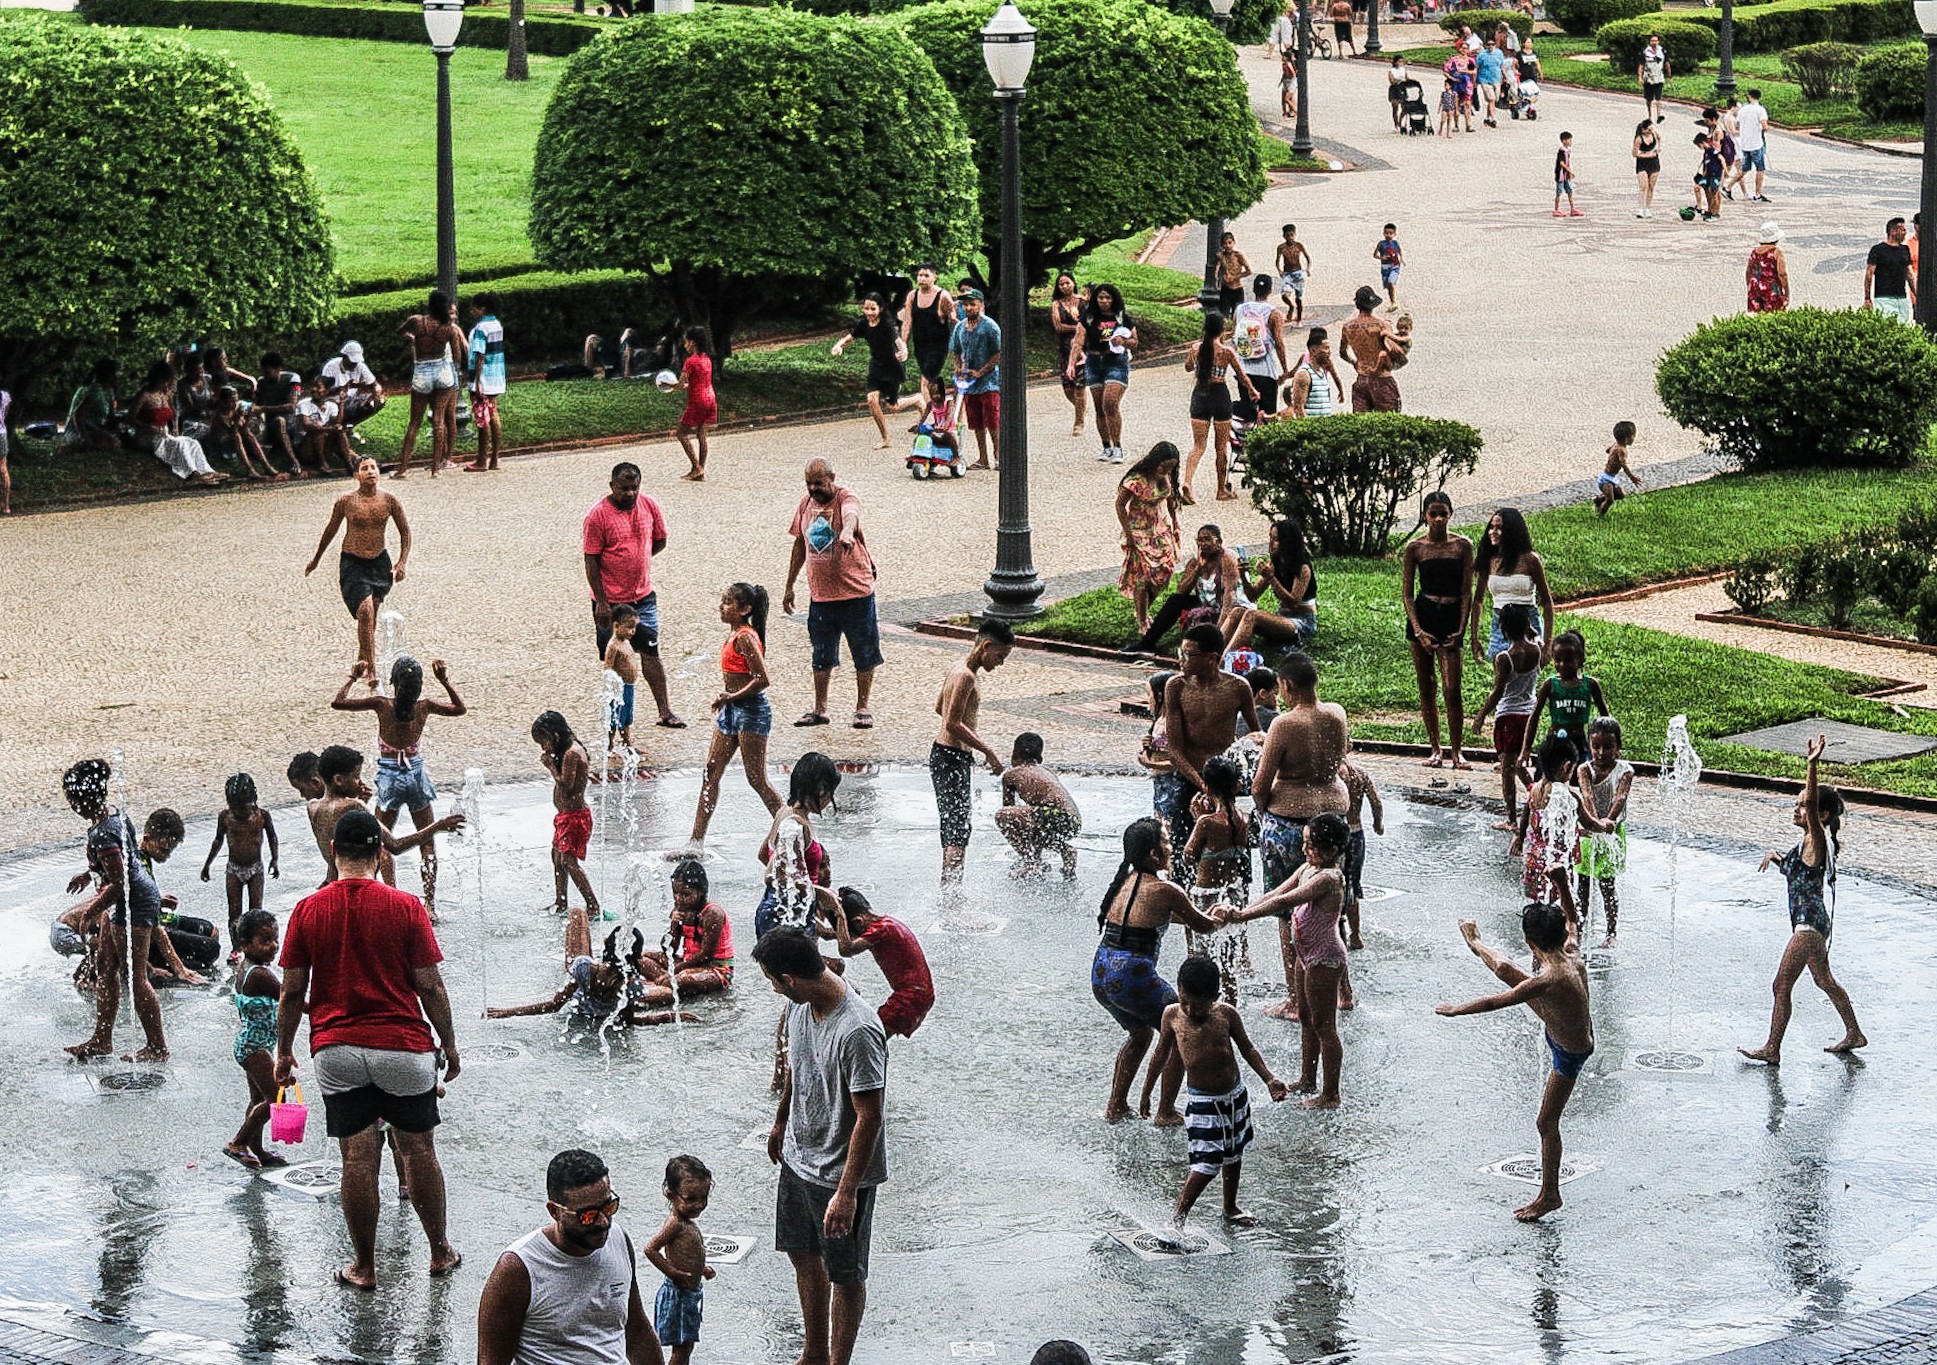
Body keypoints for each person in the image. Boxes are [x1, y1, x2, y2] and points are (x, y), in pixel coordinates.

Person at [274, 808, 462, 1288]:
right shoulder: (406, 907)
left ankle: (364, 1266)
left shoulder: (307, 910)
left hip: (337, 1049)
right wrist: (450, 1044)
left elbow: (292, 992)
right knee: (419, 1151)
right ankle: (439, 1251)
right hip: (403, 1046)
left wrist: (284, 1050)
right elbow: (431, 988)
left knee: (357, 1160)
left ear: (334, 851)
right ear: (379, 852)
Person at [758, 926, 889, 1365]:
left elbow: (870, 1116)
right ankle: (813, 1353)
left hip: (839, 1172)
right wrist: (780, 1121)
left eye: (773, 982)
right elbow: (797, 1067)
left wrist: (847, 1193)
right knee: (802, 1253)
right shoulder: (802, 1009)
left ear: (790, 978)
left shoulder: (858, 1029)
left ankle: (837, 1363)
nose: (775, 990)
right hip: (799, 1157)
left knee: (845, 1274)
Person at [1437, 867, 1592, 1221]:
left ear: (1531, 944)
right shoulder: (1571, 949)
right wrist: (1562, 884)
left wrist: (1455, 1010)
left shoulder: (1548, 979)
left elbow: (1495, 1002)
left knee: (1546, 1123)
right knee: (1507, 968)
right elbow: (1571, 918)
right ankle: (1475, 942)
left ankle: (1550, 1194)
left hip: (1570, 1052)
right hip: (1565, 1029)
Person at [1740, 735, 1866, 1065]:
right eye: (1797, 804)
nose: (1797, 809)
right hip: (1814, 923)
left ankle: (1772, 1048)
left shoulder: (1817, 837)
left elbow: (1811, 807)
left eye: (1803, 805)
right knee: (1824, 980)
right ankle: (1855, 1033)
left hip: (1809, 926)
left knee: (1780, 985)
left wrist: (1812, 765)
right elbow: (1802, 875)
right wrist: (1779, 859)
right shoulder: (1808, 844)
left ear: (1821, 815)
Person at [476, 1148, 666, 1365]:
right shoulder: (517, 1269)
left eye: (608, 1206)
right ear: (554, 1211)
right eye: (588, 1215)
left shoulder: (618, 1238)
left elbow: (636, 1330)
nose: (603, 1222)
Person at [1145, 955, 1289, 1236]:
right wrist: (1147, 1092)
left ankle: (1230, 1207)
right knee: (1207, 1162)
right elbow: (1160, 1054)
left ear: (1215, 997)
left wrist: (1269, 1078)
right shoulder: (1172, 1015)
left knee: (1233, 1153)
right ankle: (1177, 1218)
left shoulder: (1226, 1015)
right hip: (1203, 1103)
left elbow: (1248, 1049)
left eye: (1198, 1005)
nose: (1189, 1009)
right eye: (1184, 1000)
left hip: (1234, 1097)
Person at [1093, 818, 1222, 1125]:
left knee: (1140, 1035)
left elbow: (1152, 917)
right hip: (1131, 975)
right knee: (1180, 1028)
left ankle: (1116, 1106)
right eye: (1166, 841)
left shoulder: (1123, 881)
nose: (1171, 846)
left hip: (1100, 971)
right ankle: (1164, 1110)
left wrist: (1199, 914)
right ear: (1154, 854)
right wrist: (1222, 914)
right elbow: (1203, 925)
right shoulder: (1166, 888)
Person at [1221, 812, 1353, 1107]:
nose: (1305, 850)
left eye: (1311, 845)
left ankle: (1331, 1094)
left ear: (1332, 851)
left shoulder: (1329, 878)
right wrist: (1238, 912)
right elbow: (1275, 892)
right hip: (1305, 956)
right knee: (1306, 1018)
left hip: (1325, 957)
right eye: (1305, 843)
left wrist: (1242, 917)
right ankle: (1308, 1078)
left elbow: (1285, 902)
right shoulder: (1308, 867)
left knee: (1325, 1025)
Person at [60, 764, 190, 1061]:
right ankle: (101, 1040)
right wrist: (88, 872)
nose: (71, 805)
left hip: (133, 900)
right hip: (128, 896)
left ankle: (157, 1047)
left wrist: (91, 912)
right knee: (106, 967)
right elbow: (125, 858)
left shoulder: (103, 834)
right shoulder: (114, 813)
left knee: (135, 976)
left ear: (83, 799)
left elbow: (119, 883)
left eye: (72, 799)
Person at [1251, 652, 1348, 1021]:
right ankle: (1344, 991)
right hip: (1334, 814)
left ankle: (1295, 999)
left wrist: (1261, 810)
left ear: (1286, 686)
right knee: (1331, 904)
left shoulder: (1284, 724)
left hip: (1291, 819)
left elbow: (1261, 784)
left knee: (1289, 910)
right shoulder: (1336, 713)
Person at [331, 655, 467, 918]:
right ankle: (430, 904)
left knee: (382, 841)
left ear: (393, 682)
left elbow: (339, 702)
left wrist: (353, 677)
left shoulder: (382, 705)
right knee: (426, 838)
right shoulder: (424, 707)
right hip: (416, 776)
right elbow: (459, 708)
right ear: (419, 686)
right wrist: (445, 681)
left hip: (390, 778)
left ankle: (390, 893)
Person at [585, 461, 685, 730]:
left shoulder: (649, 505)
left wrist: (638, 558)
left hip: (643, 597)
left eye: (634, 488)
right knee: (615, 660)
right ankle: (617, 722)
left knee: (651, 652)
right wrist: (602, 602)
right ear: (612, 486)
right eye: (623, 488)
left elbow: (660, 540)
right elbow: (591, 560)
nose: (629, 494)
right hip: (612, 602)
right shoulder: (597, 516)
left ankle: (665, 711)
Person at [785, 459, 882, 730]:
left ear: (832, 478)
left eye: (818, 483)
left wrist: (848, 532)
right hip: (821, 596)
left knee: (864, 651)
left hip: (855, 593)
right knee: (821, 654)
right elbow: (799, 545)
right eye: (808, 483)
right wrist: (789, 585)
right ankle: (820, 709)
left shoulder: (845, 498)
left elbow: (852, 516)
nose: (813, 488)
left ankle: (862, 706)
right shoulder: (805, 505)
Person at [688, 583, 784, 846]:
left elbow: (762, 679)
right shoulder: (734, 635)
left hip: (751, 712)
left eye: (728, 602)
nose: (722, 606)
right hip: (732, 710)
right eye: (722, 600)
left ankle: (794, 831)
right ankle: (696, 841)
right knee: (710, 772)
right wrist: (729, 700)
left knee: (757, 779)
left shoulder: (745, 636)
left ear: (745, 609)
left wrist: (730, 696)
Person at [305, 456, 410, 675]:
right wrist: (316, 559)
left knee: (370, 618)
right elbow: (330, 530)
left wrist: (402, 562)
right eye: (364, 469)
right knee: (365, 610)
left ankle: (363, 657)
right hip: (353, 563)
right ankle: (371, 669)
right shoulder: (346, 502)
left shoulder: (389, 501)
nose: (370, 471)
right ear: (356, 476)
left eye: (373, 468)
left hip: (380, 562)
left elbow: (405, 531)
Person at [931, 620, 1015, 888]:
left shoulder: (957, 667)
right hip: (950, 757)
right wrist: (988, 751)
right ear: (986, 646)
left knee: (954, 827)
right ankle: (952, 900)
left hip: (945, 756)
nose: (1000, 663)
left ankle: (950, 894)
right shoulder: (966, 676)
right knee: (958, 830)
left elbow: (938, 707)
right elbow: (951, 723)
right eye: (1000, 656)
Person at [1401, 492, 1473, 768]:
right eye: (1434, 514)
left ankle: (1457, 750)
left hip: (1452, 614)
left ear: (1451, 514)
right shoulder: (1415, 548)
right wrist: (1418, 630)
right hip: (1425, 611)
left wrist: (1462, 627)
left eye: (1444, 514)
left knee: (1452, 687)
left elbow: (1466, 591)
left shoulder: (1462, 546)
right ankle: (1435, 749)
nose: (1439, 519)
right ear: (1425, 516)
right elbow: (1407, 593)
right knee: (1426, 684)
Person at [483, 904, 643, 1025]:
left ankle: (588, 911)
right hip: (608, 978)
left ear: (607, 945)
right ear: (637, 956)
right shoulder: (632, 986)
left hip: (586, 980)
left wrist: (507, 1012)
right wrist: (664, 1017)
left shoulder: (584, 969)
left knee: (577, 913)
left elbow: (554, 1006)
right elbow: (627, 1021)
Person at [820, 886, 935, 1040]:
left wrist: (839, 913)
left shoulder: (881, 930)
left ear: (859, 922)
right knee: (872, 1038)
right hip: (917, 993)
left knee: (870, 1039)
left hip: (911, 996)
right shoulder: (882, 925)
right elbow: (829, 934)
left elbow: (846, 948)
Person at [753, 752, 841, 941]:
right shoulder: (795, 825)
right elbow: (773, 876)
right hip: (786, 918)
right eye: (831, 792)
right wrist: (821, 893)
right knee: (811, 970)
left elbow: (763, 854)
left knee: (817, 969)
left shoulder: (784, 813)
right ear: (821, 789)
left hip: (787, 910)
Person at [1121, 522, 1245, 657]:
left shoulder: (1227, 559)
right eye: (1200, 540)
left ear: (1219, 541)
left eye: (1208, 539)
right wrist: (1198, 568)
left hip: (1229, 606)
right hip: (1207, 603)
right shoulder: (1195, 562)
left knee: (1216, 614)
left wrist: (1220, 628)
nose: (1203, 544)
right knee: (1175, 600)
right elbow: (1182, 590)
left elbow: (1230, 595)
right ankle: (1148, 642)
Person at [1470, 604, 1542, 830]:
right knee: (1520, 765)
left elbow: (1498, 691)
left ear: (1504, 629)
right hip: (1529, 715)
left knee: (1507, 770)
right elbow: (1535, 635)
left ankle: (1511, 818)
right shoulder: (1537, 650)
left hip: (1508, 717)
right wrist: (1529, 629)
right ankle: (1539, 800)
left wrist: (1481, 716)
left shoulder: (1504, 658)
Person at [225, 910, 286, 1170]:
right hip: (256, 1048)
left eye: (275, 939)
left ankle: (256, 1147)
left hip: (251, 1043)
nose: (273, 946)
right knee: (277, 1100)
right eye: (265, 941)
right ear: (245, 945)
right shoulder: (261, 975)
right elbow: (291, 999)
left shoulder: (246, 967)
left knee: (258, 1098)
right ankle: (238, 1142)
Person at [642, 1155, 714, 1365]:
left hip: (688, 1294)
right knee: (682, 1348)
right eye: (690, 1199)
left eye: (704, 1197)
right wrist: (672, 1272)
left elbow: (686, 1254)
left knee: (686, 1345)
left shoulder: (687, 1222)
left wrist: (702, 1269)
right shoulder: (676, 1224)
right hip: (679, 1295)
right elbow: (650, 1249)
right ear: (671, 1195)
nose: (699, 1205)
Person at [1182, 312, 1257, 506]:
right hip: (1219, 395)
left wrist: (1193, 357)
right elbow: (1242, 376)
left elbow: (1188, 368)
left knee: (1198, 446)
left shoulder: (1196, 348)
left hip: (1200, 394)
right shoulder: (1226, 352)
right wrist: (1252, 391)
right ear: (1222, 331)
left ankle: (1187, 483)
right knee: (1221, 447)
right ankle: (1220, 489)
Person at [199, 772, 281, 945]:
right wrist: (207, 864)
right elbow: (218, 840)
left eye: (242, 808)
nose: (238, 812)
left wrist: (275, 859)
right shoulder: (226, 817)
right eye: (234, 807)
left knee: (256, 911)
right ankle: (236, 946)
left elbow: (273, 837)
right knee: (234, 911)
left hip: (255, 869)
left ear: (253, 801)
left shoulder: (262, 816)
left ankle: (253, 944)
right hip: (234, 869)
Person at [636, 859, 734, 1002]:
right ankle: (663, 984)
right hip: (687, 963)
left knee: (682, 979)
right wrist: (673, 925)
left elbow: (705, 956)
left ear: (701, 892)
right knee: (639, 957)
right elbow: (669, 949)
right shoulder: (679, 910)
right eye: (675, 893)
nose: (679, 898)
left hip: (716, 970)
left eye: (685, 894)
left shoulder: (712, 913)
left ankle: (661, 986)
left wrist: (675, 971)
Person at [534, 710, 601, 918]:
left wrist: (551, 767)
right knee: (556, 857)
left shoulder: (572, 753)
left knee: (570, 862)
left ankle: (593, 906)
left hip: (575, 818)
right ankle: (561, 901)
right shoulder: (569, 750)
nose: (543, 747)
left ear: (554, 735)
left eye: (543, 742)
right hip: (566, 817)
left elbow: (567, 785)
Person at [1114, 443, 1183, 638]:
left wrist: (1175, 522)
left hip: (1159, 528)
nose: (1167, 470)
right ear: (1156, 461)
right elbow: (1120, 505)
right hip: (1139, 530)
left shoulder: (1167, 475)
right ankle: (1142, 619)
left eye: (1171, 467)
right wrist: (1127, 532)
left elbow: (1171, 500)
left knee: (1166, 570)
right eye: (1164, 466)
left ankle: (1142, 607)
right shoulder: (1137, 480)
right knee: (1143, 576)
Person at [395, 290, 467, 478]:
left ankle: (402, 468)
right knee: (439, 420)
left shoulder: (417, 321)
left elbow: (400, 331)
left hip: (422, 371)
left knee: (414, 423)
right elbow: (458, 357)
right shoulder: (449, 328)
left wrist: (413, 340)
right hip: (443, 371)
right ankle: (436, 468)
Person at [831, 292, 915, 449]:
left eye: (873, 309)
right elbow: (851, 337)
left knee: (893, 406)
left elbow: (898, 340)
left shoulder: (887, 323)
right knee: (871, 400)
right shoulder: (863, 323)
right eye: (866, 308)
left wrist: (904, 351)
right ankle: (885, 438)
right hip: (876, 366)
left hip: (891, 367)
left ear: (880, 308)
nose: (869, 312)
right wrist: (839, 345)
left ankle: (917, 400)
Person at [1575, 716, 1633, 946]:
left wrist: (1608, 821)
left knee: (1607, 885)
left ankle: (1611, 932)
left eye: (1608, 747)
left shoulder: (1625, 771)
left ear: (1618, 748)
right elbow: (1587, 795)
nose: (1601, 752)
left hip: (1612, 832)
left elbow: (1621, 797)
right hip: (1588, 831)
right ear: (1589, 745)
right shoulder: (1584, 769)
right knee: (1582, 884)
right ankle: (1579, 928)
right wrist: (1594, 823)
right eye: (1596, 746)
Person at [1469, 505, 1553, 661]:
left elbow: (1547, 602)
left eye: (1499, 528)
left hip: (1528, 623)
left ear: (1512, 531)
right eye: (1491, 527)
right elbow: (1478, 601)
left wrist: (1548, 643)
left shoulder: (1530, 560)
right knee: (1501, 672)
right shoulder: (1489, 560)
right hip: (1500, 622)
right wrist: (1474, 637)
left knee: (1528, 674)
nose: (1493, 532)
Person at [996, 732, 1083, 879]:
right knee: (1033, 823)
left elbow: (1008, 808)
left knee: (1004, 816)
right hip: (1073, 820)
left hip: (1056, 816)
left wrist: (1025, 850)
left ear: (1014, 755)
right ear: (1040, 758)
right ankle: (1064, 850)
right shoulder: (1047, 771)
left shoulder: (1011, 774)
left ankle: (1030, 862)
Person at [1071, 282, 1135, 463]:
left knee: (1110, 403)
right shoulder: (1089, 318)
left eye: (1108, 297)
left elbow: (1135, 340)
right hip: (1093, 362)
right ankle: (1106, 446)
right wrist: (1072, 362)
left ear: (1113, 299)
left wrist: (1123, 340)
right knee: (1099, 407)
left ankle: (1118, 446)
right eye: (1100, 297)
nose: (1104, 301)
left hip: (1115, 362)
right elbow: (1078, 341)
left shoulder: (1122, 318)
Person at [1525, 629, 1609, 767]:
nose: (1562, 665)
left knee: (1584, 778)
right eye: (1558, 660)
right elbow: (1534, 717)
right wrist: (1526, 749)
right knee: (1546, 780)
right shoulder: (1550, 684)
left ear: (1580, 658)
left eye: (1568, 660)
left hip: (1579, 742)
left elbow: (1605, 718)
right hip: (1555, 740)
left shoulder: (1590, 684)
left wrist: (1609, 747)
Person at [131, 361, 224, 484]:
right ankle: (192, 473)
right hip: (148, 435)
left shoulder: (164, 394)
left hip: (164, 433)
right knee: (179, 444)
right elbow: (131, 418)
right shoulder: (144, 395)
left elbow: (174, 413)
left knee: (192, 442)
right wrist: (148, 426)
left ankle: (207, 470)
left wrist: (175, 428)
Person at [948, 288, 1003, 471]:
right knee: (976, 422)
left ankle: (999, 455)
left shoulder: (990, 326)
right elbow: (955, 350)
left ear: (981, 304)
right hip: (969, 382)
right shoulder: (960, 327)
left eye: (973, 304)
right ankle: (983, 458)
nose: (969, 308)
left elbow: (998, 353)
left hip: (990, 381)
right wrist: (958, 367)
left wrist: (981, 371)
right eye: (966, 304)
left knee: (993, 420)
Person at [1231, 275, 1288, 426]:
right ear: (1270, 290)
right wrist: (1285, 370)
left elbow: (1234, 337)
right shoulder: (1274, 313)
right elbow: (1279, 343)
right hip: (1266, 372)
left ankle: (1245, 444)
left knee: (1248, 416)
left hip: (1244, 372)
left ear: (1253, 289)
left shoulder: (1240, 310)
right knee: (1268, 416)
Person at [1340, 751, 1382, 949]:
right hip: (1356, 834)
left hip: (1335, 834)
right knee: (1351, 886)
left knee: (1331, 883)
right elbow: (1376, 802)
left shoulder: (1331, 774)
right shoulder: (1361, 774)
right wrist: (1378, 824)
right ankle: (1355, 935)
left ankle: (1336, 931)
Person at [897, 263, 957, 401]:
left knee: (925, 380)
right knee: (931, 381)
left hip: (938, 346)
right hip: (920, 345)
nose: (922, 278)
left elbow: (953, 318)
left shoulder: (943, 296)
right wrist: (903, 344)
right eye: (920, 275)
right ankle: (941, 410)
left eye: (926, 275)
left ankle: (925, 415)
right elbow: (907, 322)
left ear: (934, 277)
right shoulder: (912, 295)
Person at [1340, 287, 1404, 412]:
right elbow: (1396, 352)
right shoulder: (1382, 325)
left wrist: (1354, 362)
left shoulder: (1348, 327)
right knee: (1388, 423)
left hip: (1362, 378)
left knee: (1361, 425)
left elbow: (1342, 353)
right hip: (1382, 379)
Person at [465, 295, 507, 472]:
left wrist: (477, 381)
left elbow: (479, 355)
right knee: (494, 415)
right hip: (496, 377)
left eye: (474, 308)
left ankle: (481, 460)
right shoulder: (496, 325)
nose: (471, 311)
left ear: (482, 309)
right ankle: (495, 458)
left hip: (482, 379)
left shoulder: (480, 328)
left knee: (482, 420)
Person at [321, 340, 386, 445]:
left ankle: (349, 427)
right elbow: (323, 393)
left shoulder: (360, 366)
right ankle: (336, 429)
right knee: (335, 407)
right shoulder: (331, 367)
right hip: (333, 400)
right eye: (352, 361)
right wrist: (345, 387)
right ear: (344, 357)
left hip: (351, 399)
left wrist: (377, 394)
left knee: (377, 402)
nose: (354, 364)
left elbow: (376, 385)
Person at [674, 327, 717, 481]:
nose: (685, 344)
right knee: (701, 434)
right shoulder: (707, 359)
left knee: (681, 433)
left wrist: (669, 385)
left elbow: (681, 383)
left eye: (686, 341)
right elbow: (698, 382)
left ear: (692, 342)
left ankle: (696, 467)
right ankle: (701, 470)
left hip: (697, 401)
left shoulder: (690, 361)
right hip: (710, 398)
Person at [1049, 273, 1089, 435]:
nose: (1065, 286)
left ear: (1073, 283)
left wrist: (1082, 331)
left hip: (1083, 349)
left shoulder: (1084, 302)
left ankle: (1078, 422)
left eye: (1067, 283)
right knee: (1068, 388)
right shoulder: (1056, 304)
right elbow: (1058, 326)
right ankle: (1082, 408)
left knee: (1080, 386)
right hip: (1065, 348)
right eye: (1061, 284)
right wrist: (1078, 328)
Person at [295, 373, 353, 475]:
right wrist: (329, 429)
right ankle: (322, 463)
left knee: (340, 432)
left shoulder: (331, 406)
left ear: (326, 391)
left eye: (318, 387)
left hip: (324, 447)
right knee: (318, 432)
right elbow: (307, 425)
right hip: (306, 449)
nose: (314, 389)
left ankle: (348, 463)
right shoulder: (304, 404)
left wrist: (342, 403)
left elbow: (337, 422)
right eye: (313, 386)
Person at [606, 605, 643, 756]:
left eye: (634, 627)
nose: (632, 631)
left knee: (627, 716)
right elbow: (607, 667)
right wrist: (612, 685)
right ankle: (609, 745)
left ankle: (627, 743)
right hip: (618, 688)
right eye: (629, 627)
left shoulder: (626, 642)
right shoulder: (613, 646)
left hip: (629, 686)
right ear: (616, 626)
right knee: (615, 717)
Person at [1865, 217, 1917, 323]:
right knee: (1888, 326)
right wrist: (1867, 298)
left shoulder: (1904, 250)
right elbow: (1869, 274)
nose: (1905, 232)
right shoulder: (1878, 250)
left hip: (1902, 297)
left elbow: (1909, 274)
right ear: (1893, 231)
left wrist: (1917, 294)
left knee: (1904, 326)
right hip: (1884, 297)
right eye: (1902, 229)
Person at [62, 358, 120, 452]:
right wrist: (84, 436)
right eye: (116, 373)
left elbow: (111, 415)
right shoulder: (95, 390)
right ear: (109, 375)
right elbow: (78, 415)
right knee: (111, 443)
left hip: (95, 426)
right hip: (80, 427)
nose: (118, 376)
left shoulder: (109, 390)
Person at [1725, 88, 1770, 203]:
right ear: (1759, 97)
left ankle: (1728, 187)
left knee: (1745, 169)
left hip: (1744, 144)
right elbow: (1764, 126)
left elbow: (1738, 125)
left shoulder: (1743, 109)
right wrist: (1761, 129)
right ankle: (1758, 194)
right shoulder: (1760, 110)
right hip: (1756, 144)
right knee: (1760, 168)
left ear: (1750, 97)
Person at [1595, 421, 1644, 516]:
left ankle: (1598, 499)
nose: (1634, 438)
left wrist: (1612, 455)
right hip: (1606, 479)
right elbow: (1624, 465)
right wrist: (1632, 477)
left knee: (1621, 495)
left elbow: (1608, 450)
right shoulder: (1622, 450)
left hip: (1611, 477)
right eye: (1633, 436)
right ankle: (1599, 516)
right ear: (1627, 438)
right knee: (1610, 500)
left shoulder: (1615, 444)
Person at [1747, 221, 1790, 312]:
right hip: (1771, 288)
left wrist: (1750, 286)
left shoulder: (1755, 252)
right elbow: (1782, 273)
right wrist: (1786, 293)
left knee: (1756, 318)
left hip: (1755, 288)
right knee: (1775, 317)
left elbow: (1748, 271)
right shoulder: (1776, 252)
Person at [1275, 225, 1313, 325]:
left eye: (1292, 235)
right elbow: (1277, 261)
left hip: (1299, 273)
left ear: (1295, 235)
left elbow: (1308, 258)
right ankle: (1291, 307)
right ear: (1284, 236)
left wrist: (1308, 269)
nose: (1290, 237)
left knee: (1299, 299)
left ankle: (1299, 319)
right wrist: (1279, 270)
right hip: (1287, 274)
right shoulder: (1281, 248)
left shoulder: (1299, 245)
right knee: (1284, 295)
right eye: (1288, 235)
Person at [1213, 232, 1251, 316]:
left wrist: (1234, 277)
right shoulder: (1220, 256)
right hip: (1226, 289)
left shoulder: (1238, 255)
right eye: (1225, 243)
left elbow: (1249, 271)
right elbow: (1217, 269)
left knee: (1237, 315)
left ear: (1234, 242)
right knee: (1223, 315)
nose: (1227, 246)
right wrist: (1218, 279)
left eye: (1230, 243)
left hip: (1237, 288)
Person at [1636, 33, 1670, 126]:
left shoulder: (1662, 51)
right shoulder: (1645, 51)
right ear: (1650, 42)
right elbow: (1641, 65)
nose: (1654, 42)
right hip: (1648, 78)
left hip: (1659, 77)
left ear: (1658, 41)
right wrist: (1639, 77)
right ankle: (1650, 116)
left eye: (1655, 40)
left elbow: (1667, 63)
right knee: (1649, 99)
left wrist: (1669, 76)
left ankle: (1659, 115)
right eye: (1652, 41)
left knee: (1658, 98)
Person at [1631, 117, 1662, 218]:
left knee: (1651, 187)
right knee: (1643, 186)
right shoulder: (1639, 139)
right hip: (1642, 163)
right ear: (1643, 130)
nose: (1650, 131)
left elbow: (1660, 138)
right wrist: (1647, 155)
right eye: (1648, 130)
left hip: (1654, 162)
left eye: (1651, 129)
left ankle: (1648, 208)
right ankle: (1640, 208)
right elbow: (1634, 154)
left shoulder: (1654, 133)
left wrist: (1659, 148)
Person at [1692, 132, 1724, 222]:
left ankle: (1715, 213)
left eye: (1699, 146)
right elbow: (1706, 165)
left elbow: (1722, 160)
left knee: (1714, 193)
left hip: (1716, 175)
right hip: (1708, 176)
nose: (1699, 148)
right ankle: (1706, 209)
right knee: (1699, 188)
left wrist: (1724, 174)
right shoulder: (1706, 152)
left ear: (1702, 143)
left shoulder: (1713, 150)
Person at [1475, 35, 1505, 127]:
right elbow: (1477, 67)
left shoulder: (1499, 53)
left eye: (1492, 44)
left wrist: (1505, 77)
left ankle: (1487, 118)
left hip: (1496, 79)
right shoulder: (1481, 55)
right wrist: (1475, 81)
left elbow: (1501, 66)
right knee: (1491, 98)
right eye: (1489, 44)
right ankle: (1493, 118)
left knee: (1494, 99)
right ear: (1486, 45)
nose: (1490, 46)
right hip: (1485, 79)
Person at [1372, 224, 1403, 312]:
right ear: (1383, 233)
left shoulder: (1395, 243)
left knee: (1390, 282)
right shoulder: (1381, 244)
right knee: (1388, 286)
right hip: (1385, 268)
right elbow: (1374, 255)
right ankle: (1392, 301)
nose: (1388, 235)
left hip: (1394, 266)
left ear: (1394, 234)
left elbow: (1399, 251)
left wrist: (1401, 260)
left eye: (1391, 233)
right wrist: (1381, 258)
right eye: (1386, 233)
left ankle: (1393, 302)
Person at [1553, 131, 1582, 218]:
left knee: (1570, 191)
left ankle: (1572, 209)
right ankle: (1556, 210)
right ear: (1564, 141)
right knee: (1559, 192)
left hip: (1566, 176)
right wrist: (1569, 171)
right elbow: (1561, 163)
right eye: (1569, 140)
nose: (1571, 142)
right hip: (1561, 175)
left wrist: (1569, 172)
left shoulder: (1567, 151)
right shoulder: (1562, 151)